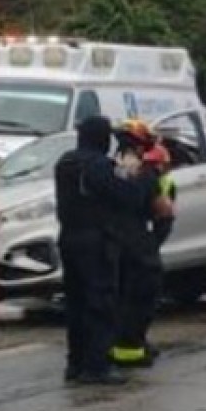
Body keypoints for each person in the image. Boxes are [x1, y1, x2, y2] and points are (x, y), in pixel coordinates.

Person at [54, 115, 149, 385]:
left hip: (69, 238)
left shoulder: (66, 162)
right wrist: (133, 175)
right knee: (100, 303)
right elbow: (130, 197)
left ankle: (76, 363)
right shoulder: (99, 166)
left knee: (76, 303)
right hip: (96, 242)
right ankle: (97, 366)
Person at [111, 119, 175, 370]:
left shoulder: (112, 167)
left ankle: (127, 344)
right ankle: (130, 351)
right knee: (140, 298)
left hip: (116, 244)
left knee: (120, 296)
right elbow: (163, 212)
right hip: (138, 246)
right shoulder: (145, 176)